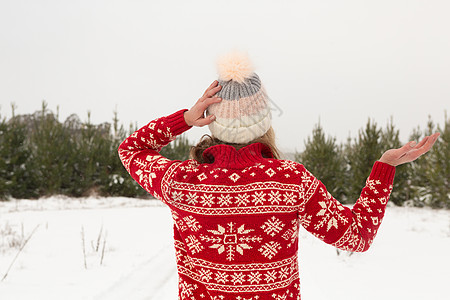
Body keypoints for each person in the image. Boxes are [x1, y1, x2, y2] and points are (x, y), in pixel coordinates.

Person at [118, 52, 439, 300]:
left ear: (213, 122)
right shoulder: (290, 181)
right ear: (264, 122)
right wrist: (384, 168)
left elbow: (131, 150)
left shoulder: (181, 181)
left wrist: (186, 119)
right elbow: (356, 236)